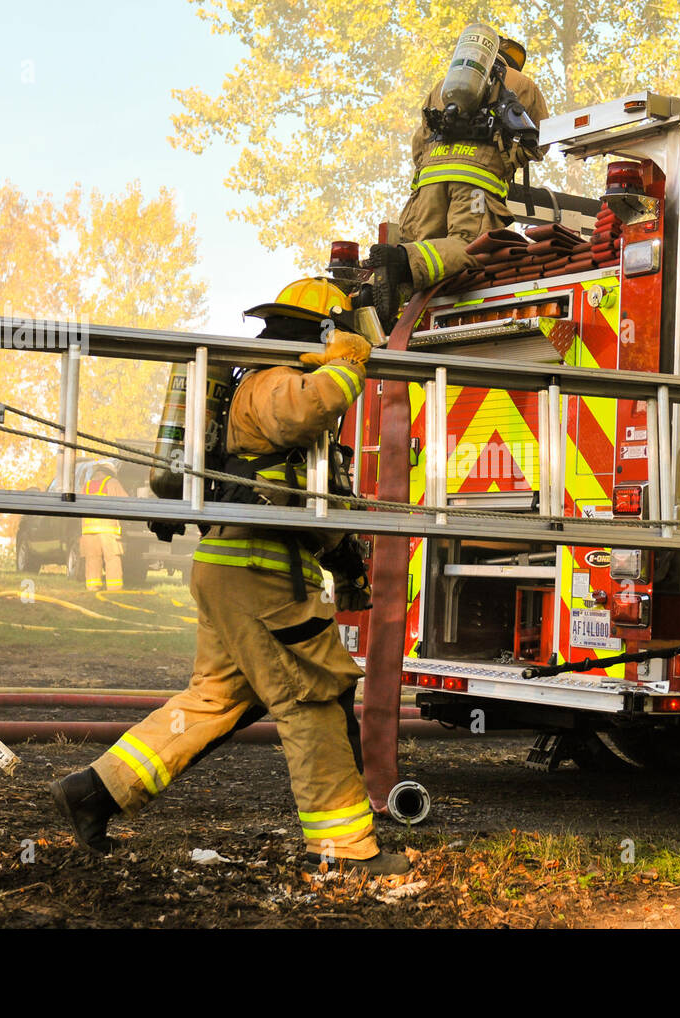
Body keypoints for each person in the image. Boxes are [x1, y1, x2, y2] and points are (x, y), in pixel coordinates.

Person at [51, 278, 411, 877]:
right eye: (345, 331)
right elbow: (305, 413)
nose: (354, 344)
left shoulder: (262, 378)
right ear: (323, 331)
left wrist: (343, 556)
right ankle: (345, 853)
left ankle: (93, 792)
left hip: (240, 571)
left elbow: (297, 496)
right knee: (312, 700)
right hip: (257, 576)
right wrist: (348, 366)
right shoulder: (274, 383)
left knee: (216, 701)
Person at [368, 35, 549, 319]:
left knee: (427, 254)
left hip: (427, 183)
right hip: (475, 184)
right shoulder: (525, 85)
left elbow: (419, 144)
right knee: (471, 247)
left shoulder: (443, 86)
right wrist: (507, 160)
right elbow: (540, 143)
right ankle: (398, 260)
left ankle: (369, 292)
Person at [79, 462, 127, 591]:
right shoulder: (112, 483)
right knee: (112, 558)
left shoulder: (86, 486)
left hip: (88, 531)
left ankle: (93, 586)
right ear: (109, 472)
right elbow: (126, 502)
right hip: (108, 530)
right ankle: (114, 587)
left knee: (92, 559)